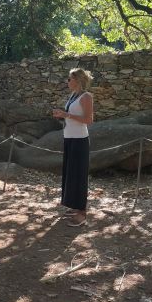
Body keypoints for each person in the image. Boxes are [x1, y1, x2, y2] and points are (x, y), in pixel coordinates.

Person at [53, 68, 94, 227]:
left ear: (77, 80)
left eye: (69, 79)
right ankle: (74, 206)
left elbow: (89, 120)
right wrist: (61, 115)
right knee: (70, 174)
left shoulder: (86, 97)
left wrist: (67, 115)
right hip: (69, 138)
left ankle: (82, 213)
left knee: (78, 176)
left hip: (79, 141)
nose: (67, 82)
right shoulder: (73, 96)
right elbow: (71, 117)